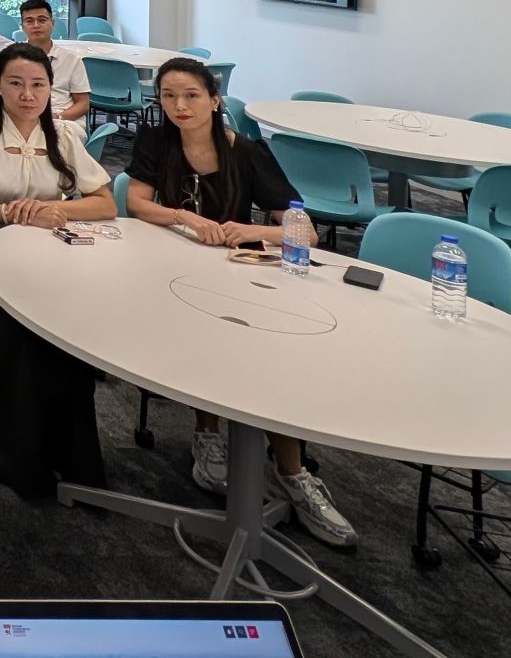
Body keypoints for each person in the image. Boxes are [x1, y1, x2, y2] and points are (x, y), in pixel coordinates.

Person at [125, 57, 356, 547]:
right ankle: (208, 437)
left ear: (214, 100)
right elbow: (137, 203)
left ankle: (293, 473)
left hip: (238, 269)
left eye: (191, 95)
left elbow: (304, 231)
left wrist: (250, 231)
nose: (179, 106)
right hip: (170, 266)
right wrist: (186, 219)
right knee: (205, 343)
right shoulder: (156, 141)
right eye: (168, 96)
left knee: (266, 358)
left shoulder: (247, 152)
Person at [0, 41, 115, 502]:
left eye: (38, 85)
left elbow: (105, 203)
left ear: (51, 89)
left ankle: (70, 458)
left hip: (46, 251)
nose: (27, 94)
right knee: (9, 328)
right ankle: (8, 450)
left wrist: (52, 211)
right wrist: (10, 214)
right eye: (15, 83)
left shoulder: (64, 136)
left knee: (67, 333)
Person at [11, 0, 90, 120]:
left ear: (52, 23)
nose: (36, 25)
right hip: (22, 116)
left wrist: (56, 117)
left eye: (42, 20)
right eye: (29, 21)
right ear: (22, 26)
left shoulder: (71, 59)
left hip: (60, 118)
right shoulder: (12, 56)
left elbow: (83, 104)